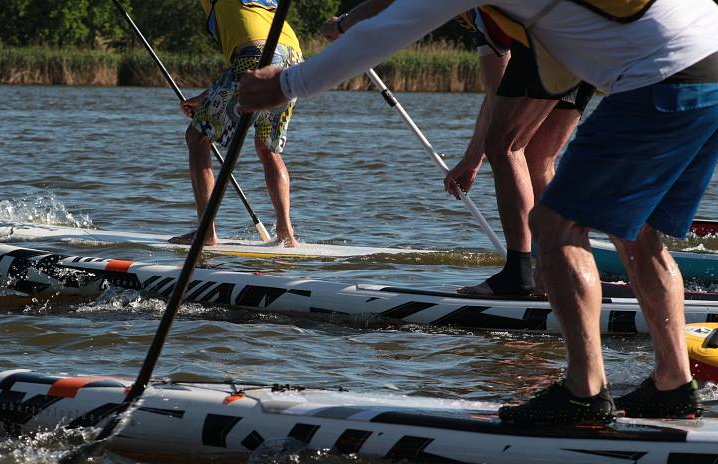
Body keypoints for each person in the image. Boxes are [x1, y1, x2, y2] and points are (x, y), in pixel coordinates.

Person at [238, 0, 718, 424]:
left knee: (554, 225)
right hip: (709, 59)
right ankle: (673, 385)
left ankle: (583, 393)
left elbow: (387, 31)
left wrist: (288, 82)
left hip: (660, 77)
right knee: (639, 235)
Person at [323, 3, 594, 296]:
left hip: (552, 40)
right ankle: (560, 271)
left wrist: (341, 26)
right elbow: (498, 92)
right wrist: (471, 159)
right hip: (587, 43)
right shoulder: (481, 18)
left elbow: (385, 5)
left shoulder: (479, 14)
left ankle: (519, 275)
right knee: (537, 158)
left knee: (507, 147)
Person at [171, 0, 301, 247]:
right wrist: (207, 97)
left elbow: (251, 59)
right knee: (267, 147)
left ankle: (206, 233)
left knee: (198, 138)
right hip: (293, 57)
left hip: (255, 54)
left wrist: (209, 98)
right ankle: (286, 233)